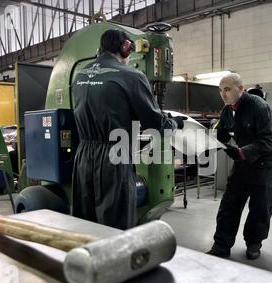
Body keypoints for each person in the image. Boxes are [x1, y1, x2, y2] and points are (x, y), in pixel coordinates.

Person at [71, 29, 186, 230]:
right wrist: (174, 123)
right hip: (113, 158)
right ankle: (114, 261)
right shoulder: (131, 76)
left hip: (82, 157)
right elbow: (155, 125)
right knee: (115, 225)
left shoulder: (79, 77)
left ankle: (88, 259)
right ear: (125, 48)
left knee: (85, 223)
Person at [207, 73, 272, 260]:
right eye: (220, 90)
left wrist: (243, 152)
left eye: (227, 89)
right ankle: (221, 245)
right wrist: (205, 140)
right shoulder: (226, 110)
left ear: (240, 89)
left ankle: (254, 243)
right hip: (243, 161)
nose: (223, 94)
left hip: (265, 162)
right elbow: (222, 136)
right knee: (229, 203)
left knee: (260, 206)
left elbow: (270, 140)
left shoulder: (259, 107)